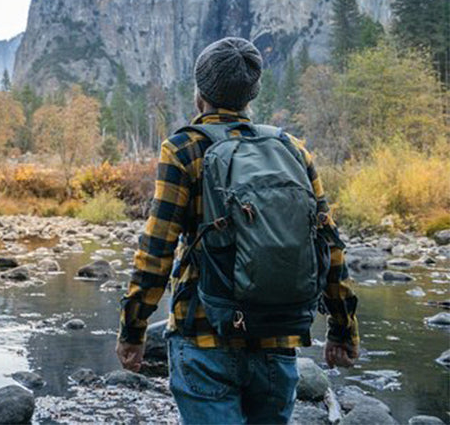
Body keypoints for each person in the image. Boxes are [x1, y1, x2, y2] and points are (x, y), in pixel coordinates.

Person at [116, 37, 359, 425]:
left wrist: (133, 329)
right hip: (277, 338)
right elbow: (329, 245)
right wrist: (343, 329)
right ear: (252, 95)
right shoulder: (293, 149)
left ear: (199, 96)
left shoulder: (183, 149)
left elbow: (155, 250)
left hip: (203, 335)